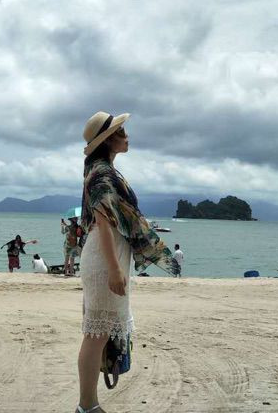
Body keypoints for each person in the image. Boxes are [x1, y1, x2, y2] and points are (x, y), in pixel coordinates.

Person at [76, 111, 175, 413]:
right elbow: (104, 224)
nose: (127, 136)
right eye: (121, 132)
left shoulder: (103, 171)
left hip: (109, 255)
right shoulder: (102, 175)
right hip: (105, 257)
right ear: (108, 140)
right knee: (96, 335)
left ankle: (88, 405)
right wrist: (115, 269)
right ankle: (86, 406)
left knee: (100, 333)